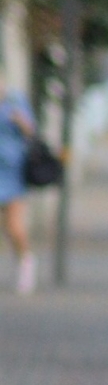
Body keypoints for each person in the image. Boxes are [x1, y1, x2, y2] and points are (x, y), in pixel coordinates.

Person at [1, 77, 34, 295]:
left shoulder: (14, 100)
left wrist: (20, 120)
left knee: (13, 225)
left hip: (11, 170)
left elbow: (31, 130)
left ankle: (25, 264)